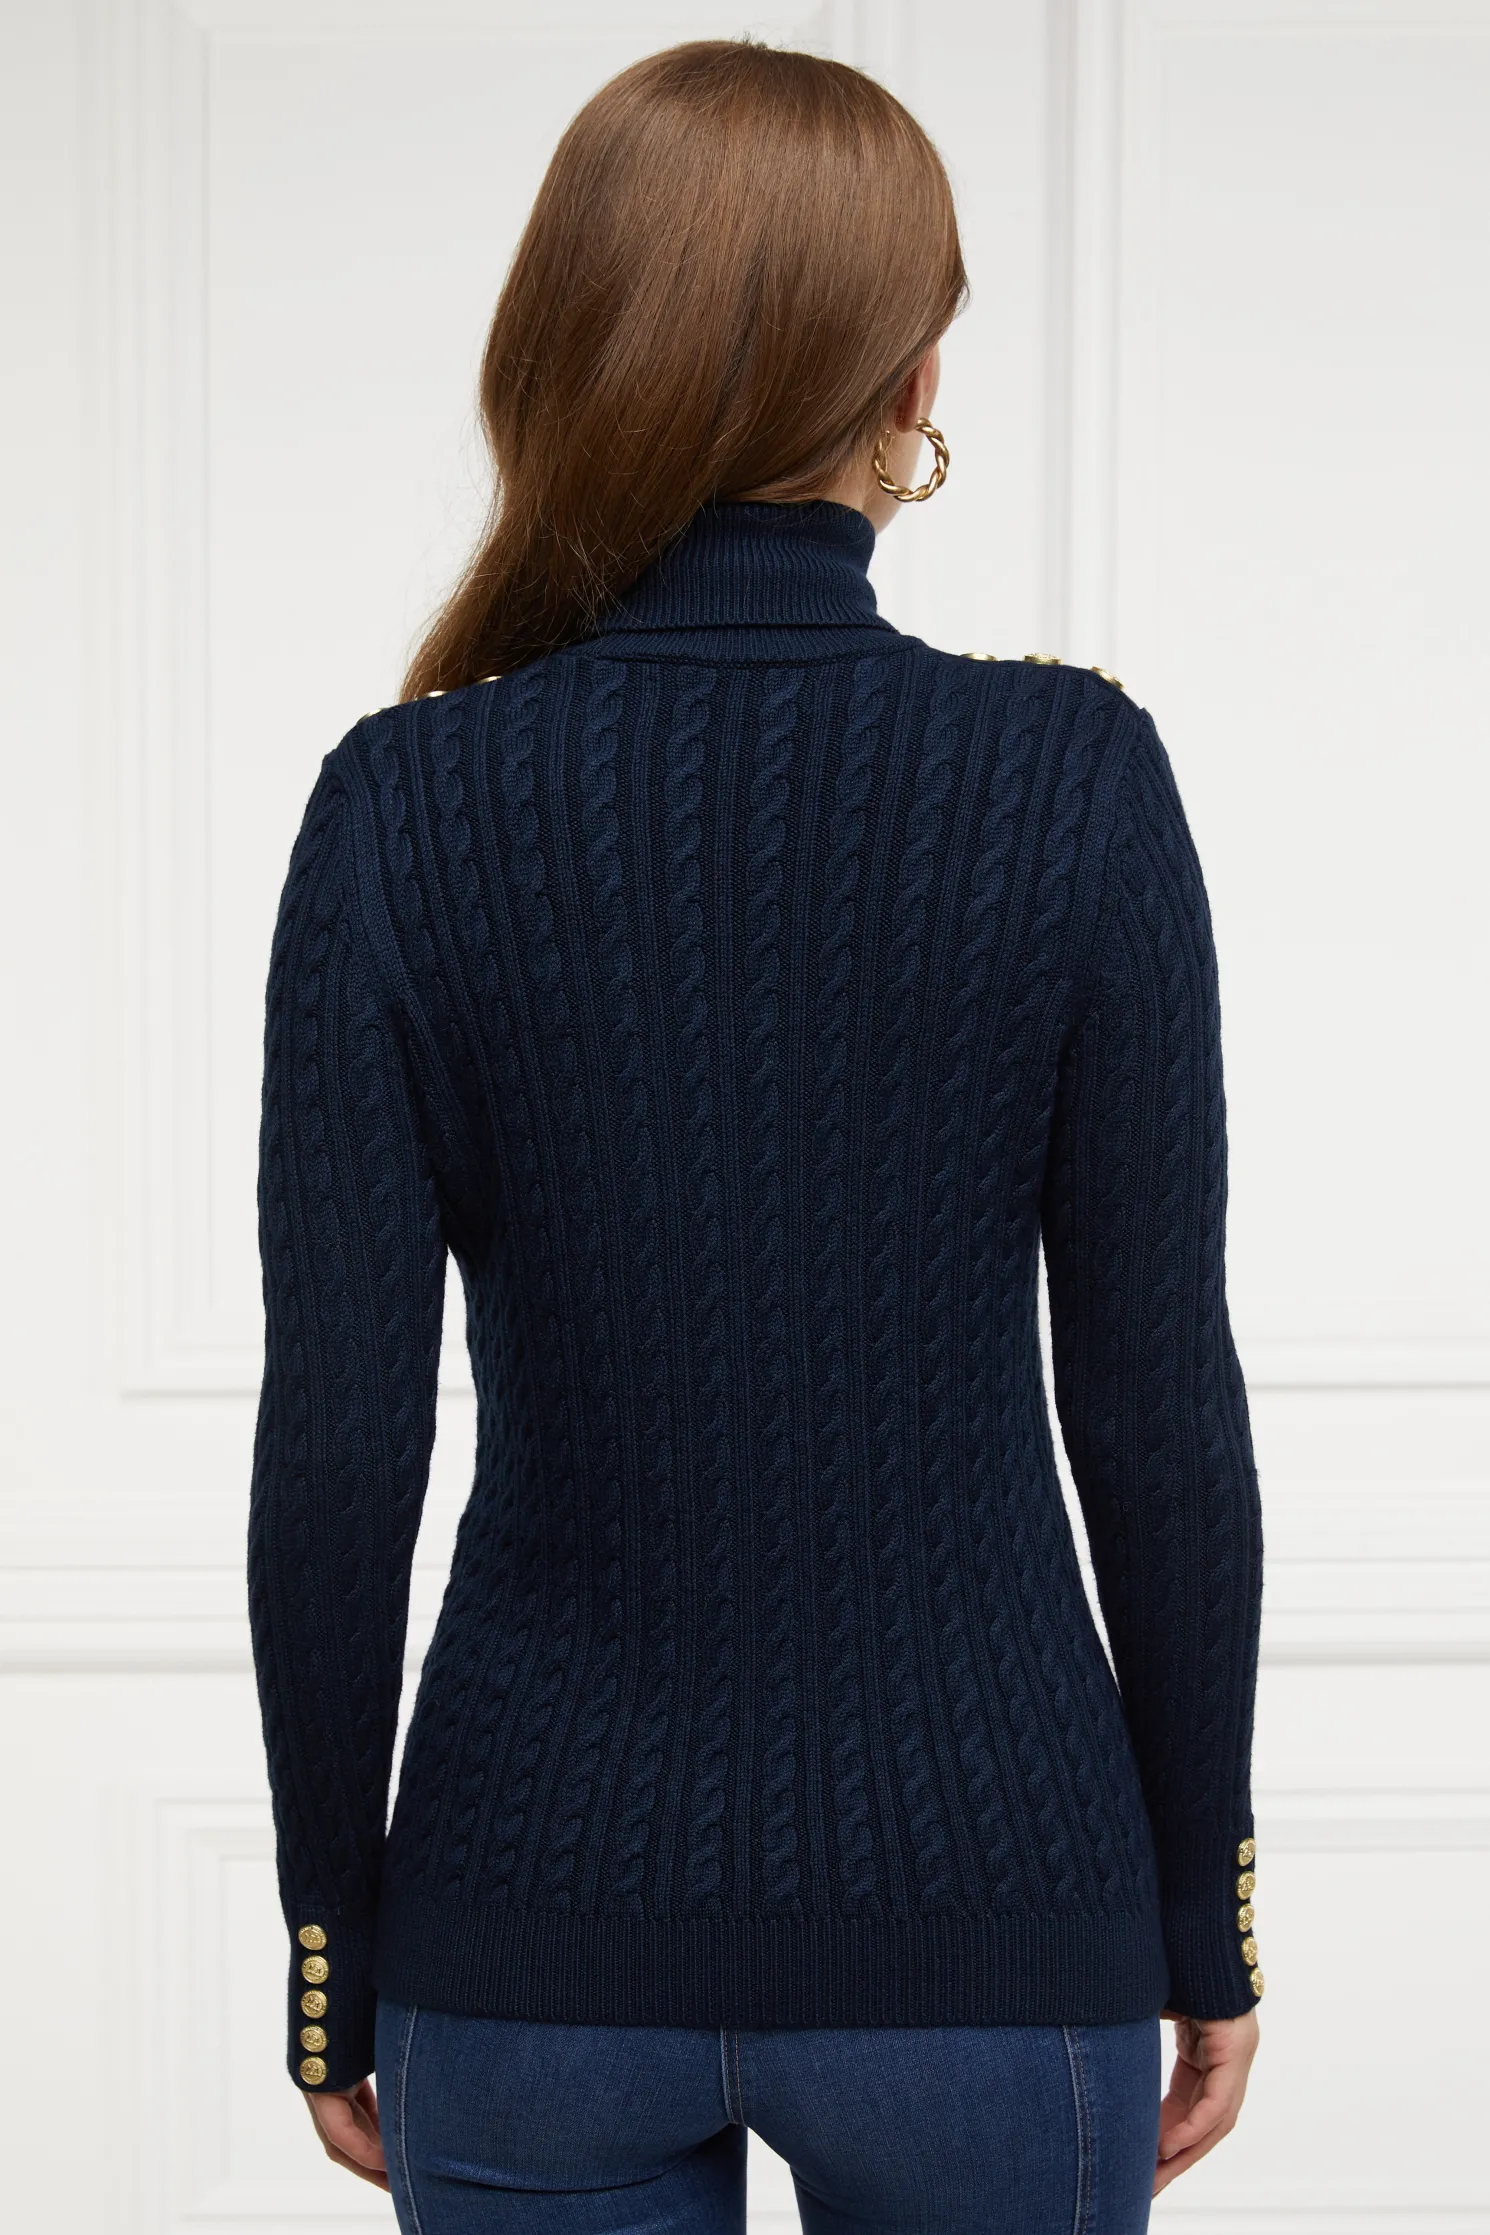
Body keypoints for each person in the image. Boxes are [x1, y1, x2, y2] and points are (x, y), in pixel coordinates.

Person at [247, 38, 1264, 2235]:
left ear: (568, 350)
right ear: (907, 382)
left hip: (522, 1939)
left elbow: (336, 1448)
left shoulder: (400, 807)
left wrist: (334, 1949)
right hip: (996, 1930)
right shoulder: (1074, 780)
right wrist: (1207, 1915)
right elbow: (1157, 1408)